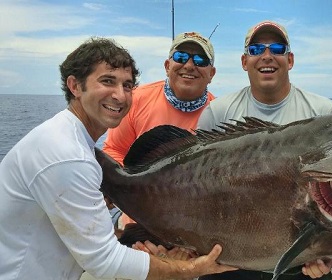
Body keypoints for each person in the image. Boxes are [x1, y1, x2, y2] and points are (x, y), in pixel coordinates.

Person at [0, 37, 236, 280]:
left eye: (127, 85)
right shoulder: (68, 156)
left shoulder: (73, 141)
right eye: (107, 81)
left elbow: (92, 234)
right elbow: (105, 260)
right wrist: (193, 269)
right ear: (75, 86)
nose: (120, 96)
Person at [197, 20, 332, 280]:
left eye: (277, 48)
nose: (267, 56)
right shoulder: (217, 113)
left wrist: (331, 250)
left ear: (290, 59)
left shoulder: (324, 113)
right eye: (256, 50)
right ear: (244, 61)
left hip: (301, 267)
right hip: (228, 265)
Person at [103, 31, 217, 229]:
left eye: (200, 60)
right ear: (167, 66)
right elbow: (114, 149)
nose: (189, 65)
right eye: (180, 57)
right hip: (138, 218)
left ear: (211, 74)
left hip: (195, 226)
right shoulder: (136, 99)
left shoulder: (219, 113)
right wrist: (122, 190)